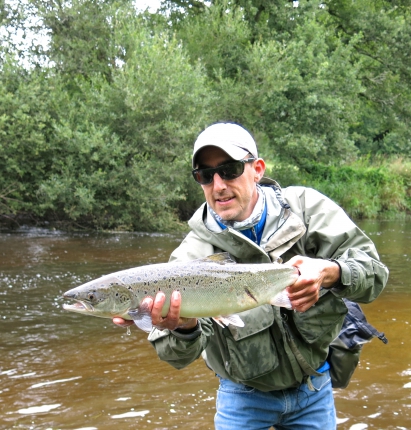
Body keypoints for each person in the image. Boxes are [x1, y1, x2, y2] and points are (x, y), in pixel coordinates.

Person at [114, 122, 389, 429]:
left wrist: (330, 272)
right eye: (205, 175)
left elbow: (375, 274)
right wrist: (184, 326)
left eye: (229, 170)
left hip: (314, 386)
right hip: (242, 397)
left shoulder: (306, 209)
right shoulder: (190, 256)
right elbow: (176, 357)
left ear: (257, 169)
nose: (218, 185)